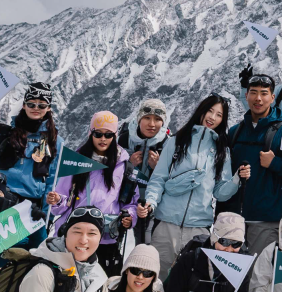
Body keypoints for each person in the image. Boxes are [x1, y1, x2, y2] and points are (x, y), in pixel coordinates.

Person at [145, 95, 239, 276]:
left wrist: (236, 180)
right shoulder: (177, 141)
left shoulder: (222, 151)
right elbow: (159, 178)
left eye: (219, 115)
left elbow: (220, 193)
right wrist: (151, 202)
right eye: (210, 111)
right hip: (166, 223)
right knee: (156, 277)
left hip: (198, 228)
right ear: (201, 111)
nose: (212, 117)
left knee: (189, 281)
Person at [228, 74, 282, 255]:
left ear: (272, 98)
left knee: (259, 270)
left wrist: (275, 163)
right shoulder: (235, 132)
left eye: (264, 93)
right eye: (253, 92)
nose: (258, 98)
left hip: (266, 219)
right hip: (233, 219)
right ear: (246, 95)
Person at [47, 112, 133, 276]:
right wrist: (57, 200)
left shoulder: (123, 166)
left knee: (102, 283)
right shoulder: (76, 161)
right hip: (74, 235)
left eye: (108, 134)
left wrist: (130, 216)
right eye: (98, 134)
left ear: (115, 136)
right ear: (90, 134)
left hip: (105, 236)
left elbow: (130, 201)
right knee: (65, 281)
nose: (103, 139)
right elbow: (62, 202)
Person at [0, 81, 58, 222]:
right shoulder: (6, 134)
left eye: (42, 105)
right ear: (24, 105)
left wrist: (47, 216)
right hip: (0, 200)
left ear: (48, 108)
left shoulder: (53, 141)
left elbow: (53, 181)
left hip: (29, 206)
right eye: (31, 104)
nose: (36, 108)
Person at [118, 100, 168, 244]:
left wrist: (157, 168)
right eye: (147, 118)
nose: (152, 124)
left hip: (150, 204)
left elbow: (171, 177)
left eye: (157, 119)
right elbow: (111, 170)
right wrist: (129, 165)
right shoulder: (124, 139)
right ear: (139, 118)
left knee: (145, 243)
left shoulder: (167, 144)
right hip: (124, 199)